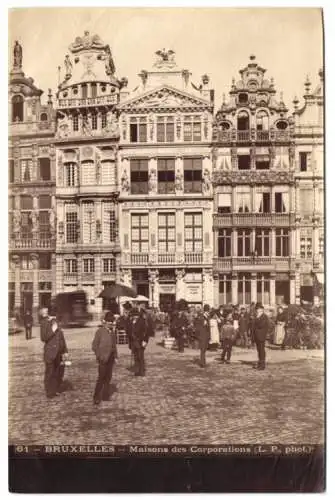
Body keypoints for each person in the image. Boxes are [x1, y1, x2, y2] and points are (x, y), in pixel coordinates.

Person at [92, 311, 118, 405]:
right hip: (103, 358)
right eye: (109, 321)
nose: (111, 323)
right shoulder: (100, 332)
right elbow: (94, 346)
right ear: (105, 322)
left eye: (112, 321)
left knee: (108, 378)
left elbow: (114, 346)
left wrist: (115, 356)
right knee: (101, 378)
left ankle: (105, 396)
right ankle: (96, 397)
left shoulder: (112, 332)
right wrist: (99, 356)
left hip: (110, 358)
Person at [41, 318, 68, 399]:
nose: (54, 318)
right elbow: (44, 338)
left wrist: (65, 351)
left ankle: (54, 390)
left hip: (58, 354)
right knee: (49, 373)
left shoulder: (58, 326)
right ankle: (49, 392)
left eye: (55, 317)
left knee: (57, 373)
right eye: (51, 317)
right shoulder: (45, 325)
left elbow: (62, 339)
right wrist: (52, 330)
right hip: (50, 354)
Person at [127, 307, 148, 376]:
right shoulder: (130, 322)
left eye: (136, 315)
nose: (135, 317)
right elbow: (128, 331)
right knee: (135, 357)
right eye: (133, 315)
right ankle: (137, 370)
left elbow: (146, 332)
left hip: (140, 341)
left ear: (138, 315)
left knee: (140, 357)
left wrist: (145, 341)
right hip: (133, 342)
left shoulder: (142, 321)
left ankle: (142, 371)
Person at [252, 303, 270, 370]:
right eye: (257, 309)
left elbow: (261, 325)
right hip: (257, 336)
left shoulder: (264, 317)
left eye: (259, 309)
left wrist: (256, 319)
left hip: (261, 336)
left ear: (262, 310)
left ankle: (262, 365)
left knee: (261, 350)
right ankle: (260, 363)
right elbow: (253, 326)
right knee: (259, 350)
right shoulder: (257, 317)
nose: (257, 311)